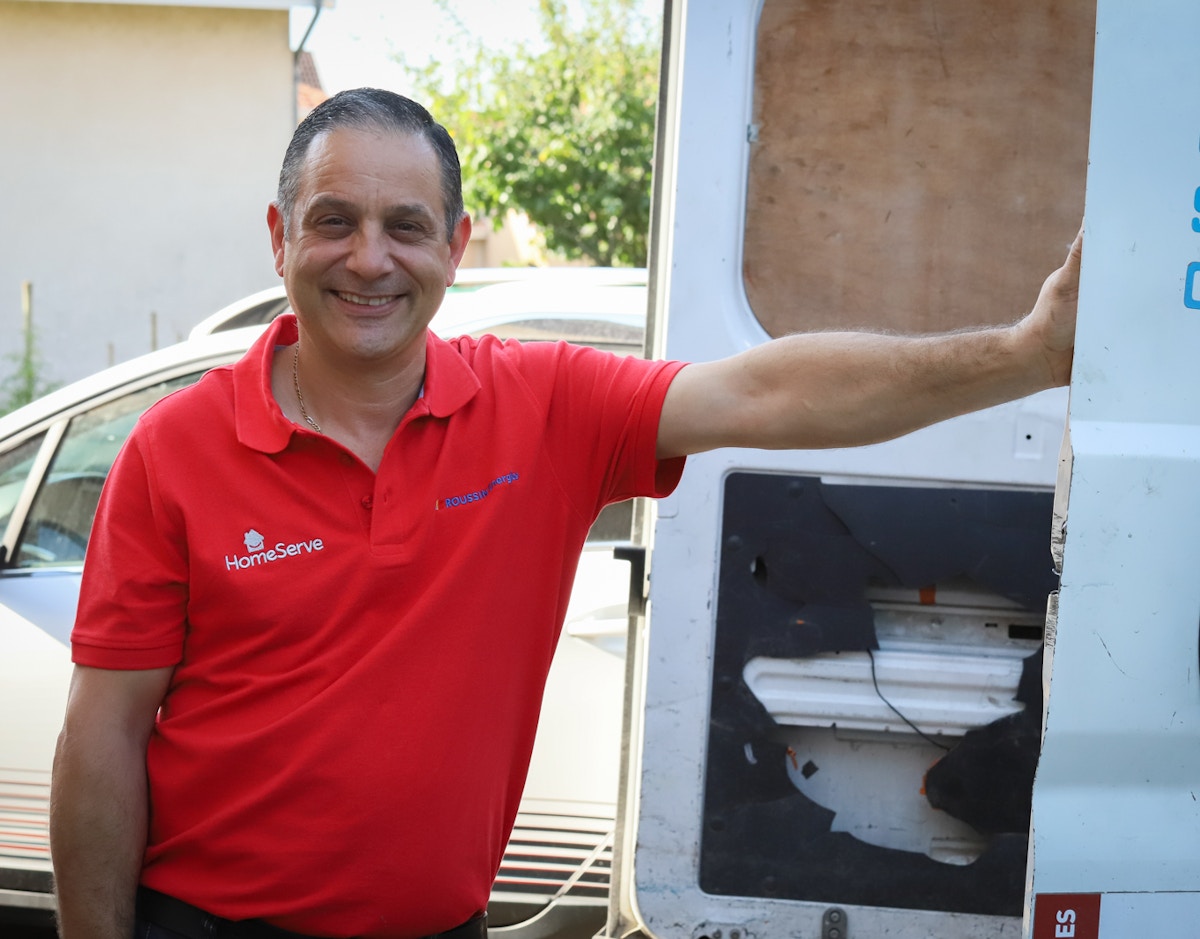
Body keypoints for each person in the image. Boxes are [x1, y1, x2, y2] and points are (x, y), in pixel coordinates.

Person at [49, 88, 1083, 939]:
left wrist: (1026, 354)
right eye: (335, 221)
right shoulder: (172, 452)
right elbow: (105, 735)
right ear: (281, 238)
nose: (369, 259)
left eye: (405, 227)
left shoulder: (541, 409)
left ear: (454, 246)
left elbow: (769, 394)